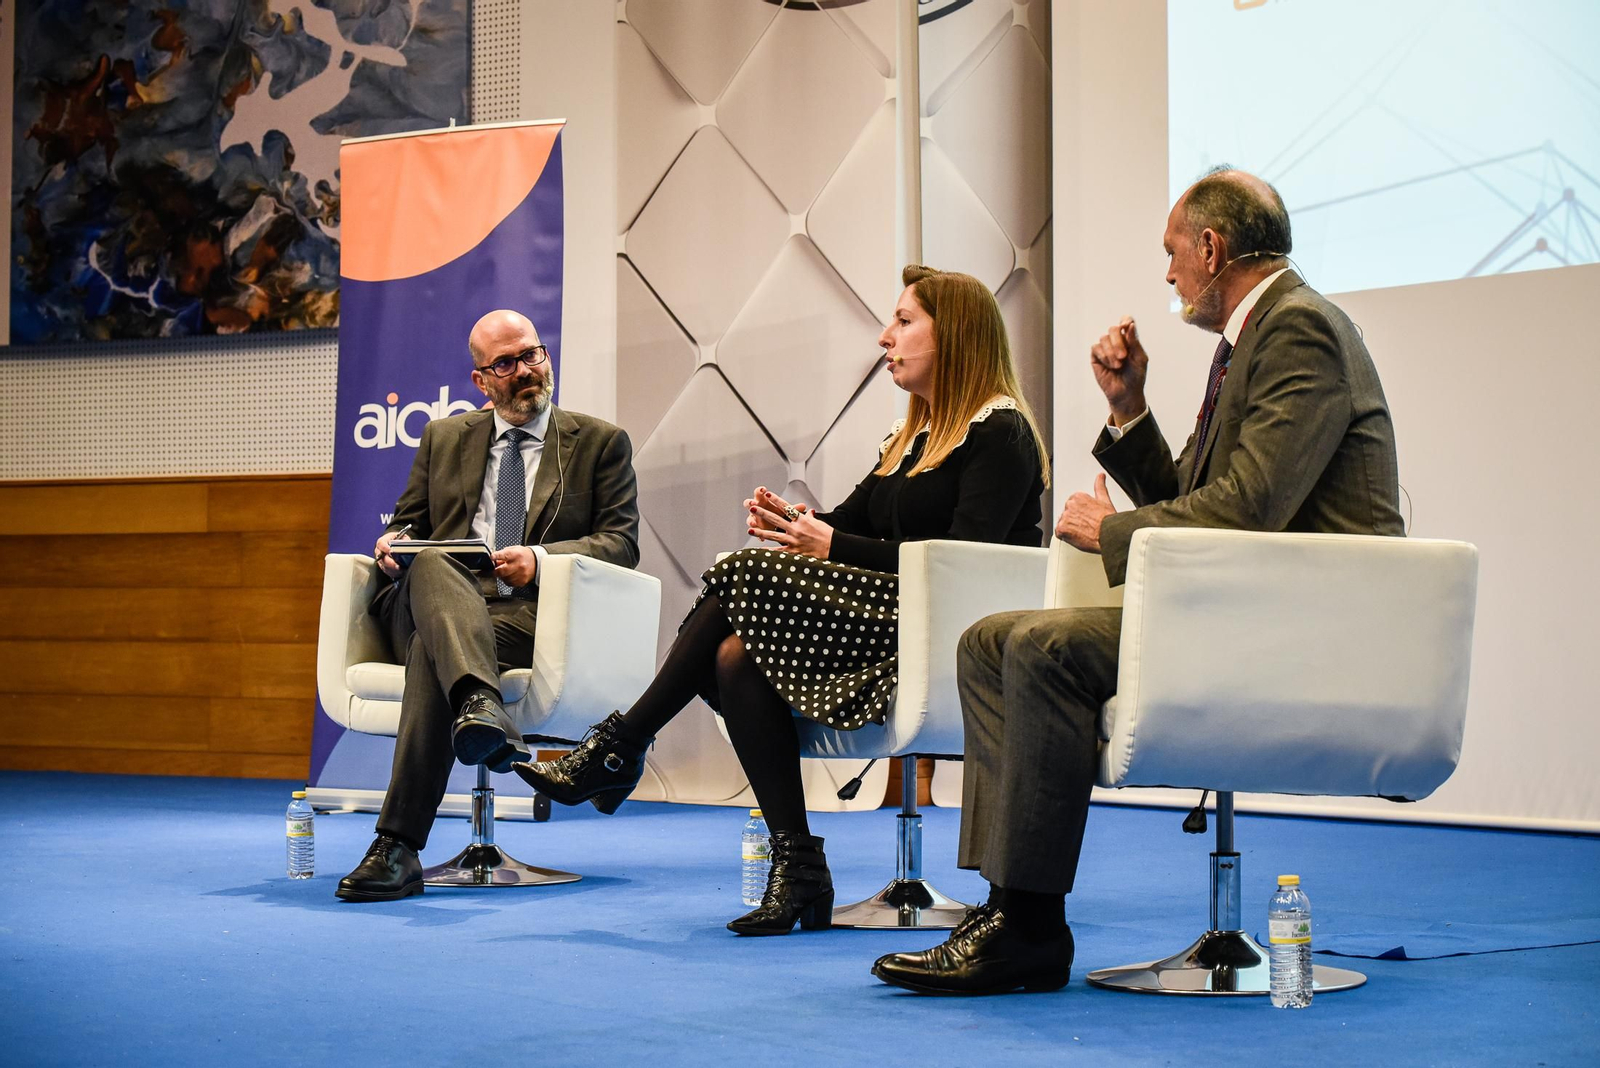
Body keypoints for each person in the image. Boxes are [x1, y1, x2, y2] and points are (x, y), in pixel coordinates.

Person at [872, 168, 1405, 993]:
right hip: (1243, 602)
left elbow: (1252, 508)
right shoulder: (1255, 343)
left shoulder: (1301, 332)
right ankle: (1007, 904)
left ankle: (1032, 926)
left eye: (1172, 254)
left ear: (1211, 247)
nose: (1167, 275)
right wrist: (1129, 407)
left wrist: (1109, 529)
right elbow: (1197, 498)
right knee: (988, 640)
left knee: (1044, 647)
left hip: (1296, 621)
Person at [514, 264, 1051, 934]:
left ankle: (620, 746)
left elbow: (963, 563)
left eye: (905, 321)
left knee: (742, 576)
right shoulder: (910, 437)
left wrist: (829, 546)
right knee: (737, 655)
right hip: (887, 620)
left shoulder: (999, 432)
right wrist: (796, 527)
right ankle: (796, 868)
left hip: (951, 637)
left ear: (959, 334)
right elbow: (848, 526)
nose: (886, 337)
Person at [336, 309, 640, 902]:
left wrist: (541, 559)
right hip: (431, 595)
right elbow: (409, 524)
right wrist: (394, 543)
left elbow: (621, 543)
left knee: (435, 648)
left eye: (533, 355)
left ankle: (397, 848)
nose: (525, 370)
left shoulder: (598, 441)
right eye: (506, 363)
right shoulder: (444, 437)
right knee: (431, 559)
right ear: (481, 379)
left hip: (521, 618)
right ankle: (479, 704)